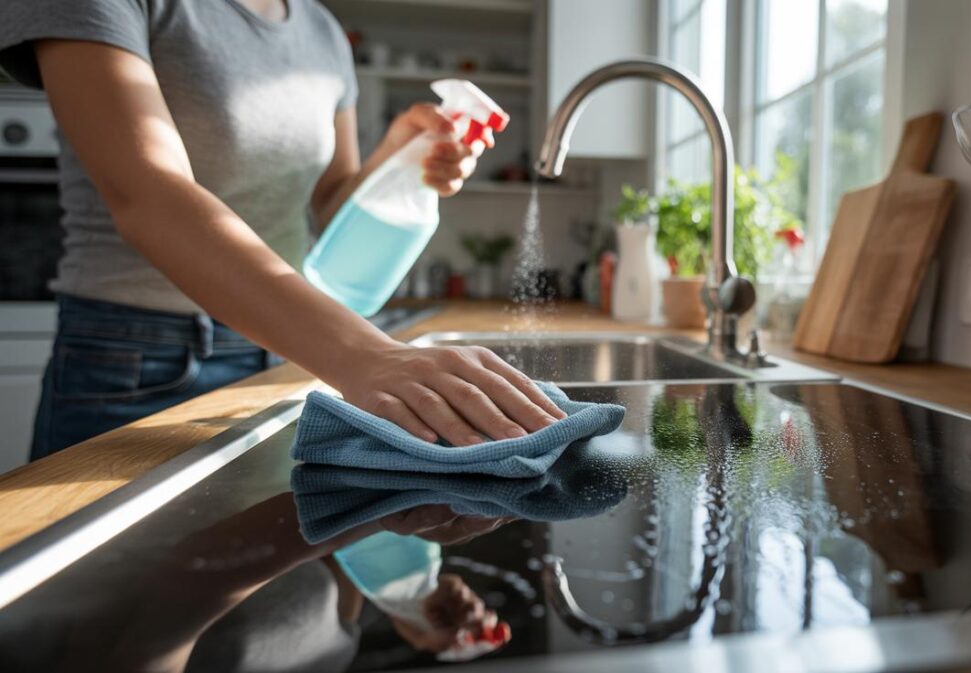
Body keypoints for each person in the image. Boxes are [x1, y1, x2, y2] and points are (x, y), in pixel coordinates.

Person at [0, 0, 566, 460]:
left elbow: (328, 200)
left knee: (272, 577)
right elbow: (147, 193)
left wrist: (397, 157)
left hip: (286, 350)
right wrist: (366, 354)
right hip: (136, 360)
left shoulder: (318, 30)